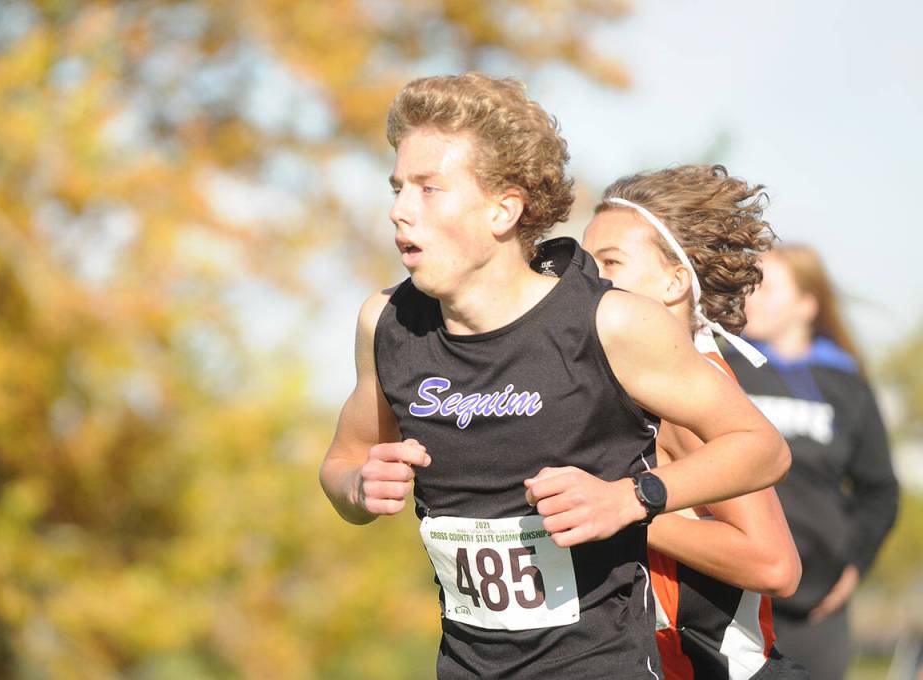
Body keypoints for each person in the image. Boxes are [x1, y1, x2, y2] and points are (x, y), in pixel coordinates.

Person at [319, 72, 790, 679]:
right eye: (398, 187)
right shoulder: (386, 324)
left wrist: (632, 498)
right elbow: (342, 462)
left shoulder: (612, 323)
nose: (399, 210)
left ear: (503, 209)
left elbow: (763, 449)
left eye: (429, 189)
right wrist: (357, 486)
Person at [570, 163, 806, 679]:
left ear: (676, 281)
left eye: (611, 261)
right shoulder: (630, 385)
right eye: (585, 262)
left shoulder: (690, 394)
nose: (590, 279)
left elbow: (774, 563)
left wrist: (629, 512)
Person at [731, 244, 900, 679]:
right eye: (749, 287)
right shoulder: (721, 367)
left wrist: (851, 570)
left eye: (768, 289)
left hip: (815, 606)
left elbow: (879, 490)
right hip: (733, 593)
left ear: (808, 304)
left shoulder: (845, 383)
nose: (753, 298)